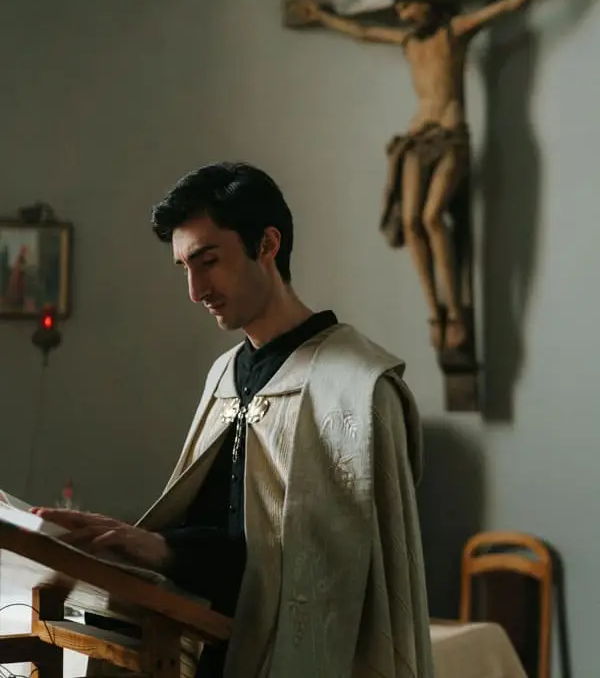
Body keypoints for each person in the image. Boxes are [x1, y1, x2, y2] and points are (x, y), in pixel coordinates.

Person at [36, 162, 434, 678]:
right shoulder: (224, 375)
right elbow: (219, 534)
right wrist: (146, 546)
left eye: (208, 261)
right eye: (184, 267)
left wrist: (164, 549)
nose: (195, 290)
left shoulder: (359, 389)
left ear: (267, 244)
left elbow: (337, 584)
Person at [293, 0, 592, 352]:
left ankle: (454, 310)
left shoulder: (455, 31)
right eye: (399, 10)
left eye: (407, 7)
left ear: (425, 3)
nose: (402, 15)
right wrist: (323, 17)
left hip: (450, 136)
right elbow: (362, 31)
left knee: (433, 217)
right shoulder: (409, 43)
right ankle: (435, 312)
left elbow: (510, 3)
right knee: (411, 221)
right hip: (416, 138)